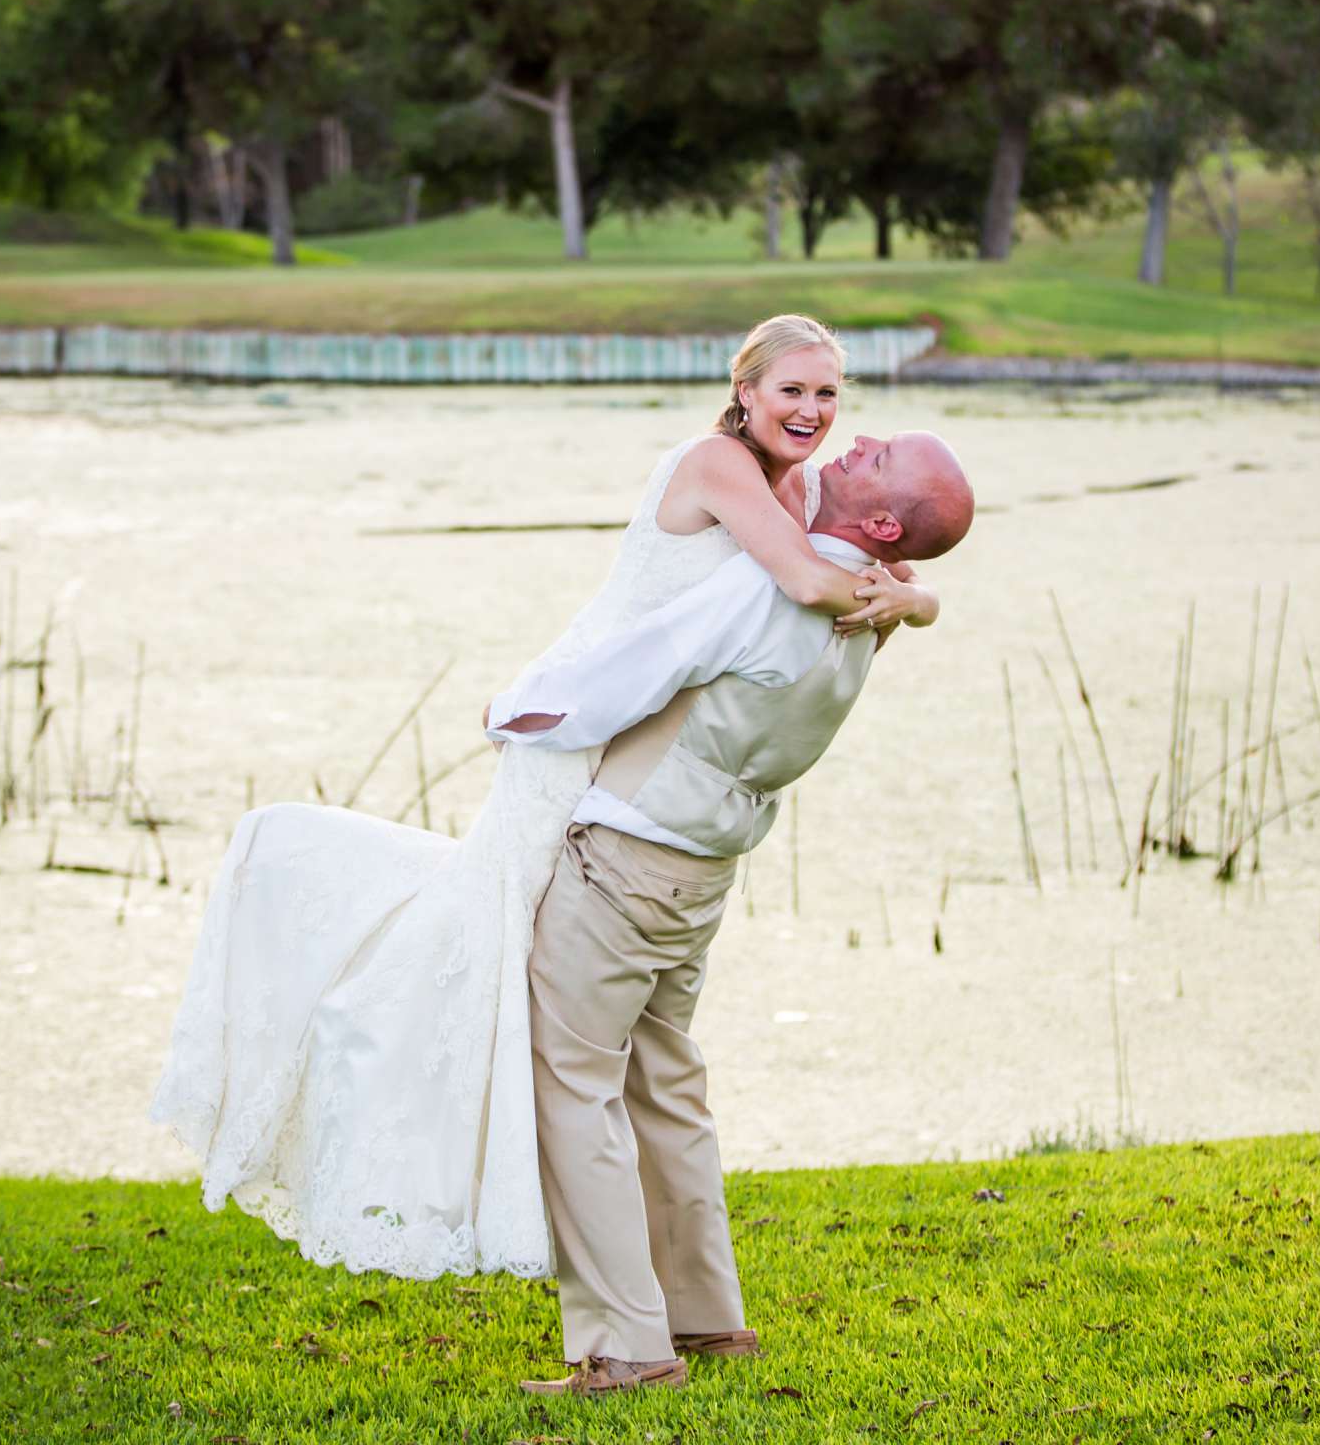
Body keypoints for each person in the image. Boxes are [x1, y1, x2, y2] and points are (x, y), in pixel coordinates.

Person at [147, 315, 940, 1282]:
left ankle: (622, 1305)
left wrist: (916, 596)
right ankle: (373, 1077)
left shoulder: (809, 485)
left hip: (632, 737)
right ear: (746, 391)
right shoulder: (717, 464)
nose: (815, 414)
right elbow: (816, 577)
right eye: (792, 392)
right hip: (582, 724)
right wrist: (901, 598)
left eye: (828, 395)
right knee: (486, 947)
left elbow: (879, 563)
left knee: (561, 1022)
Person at [487, 430, 976, 1397]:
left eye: (879, 457)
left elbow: (641, 664)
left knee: (574, 1084)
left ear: (879, 521)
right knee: (665, 1081)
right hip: (702, 874)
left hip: (627, 858)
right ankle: (708, 1318)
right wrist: (918, 596)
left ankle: (627, 1347)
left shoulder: (770, 586)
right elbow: (907, 589)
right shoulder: (871, 607)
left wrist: (516, 712)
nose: (858, 437)